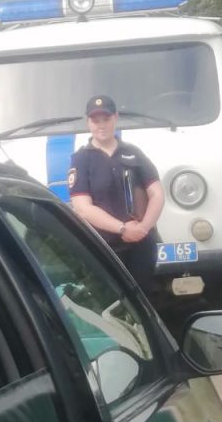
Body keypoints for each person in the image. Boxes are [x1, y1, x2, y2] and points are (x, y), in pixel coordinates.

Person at [68, 95, 165, 293]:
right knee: (111, 300)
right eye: (96, 120)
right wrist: (122, 229)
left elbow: (157, 194)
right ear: (88, 122)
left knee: (144, 298)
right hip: (104, 247)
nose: (101, 125)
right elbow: (83, 208)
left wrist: (143, 228)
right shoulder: (81, 159)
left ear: (116, 118)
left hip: (140, 244)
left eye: (106, 119)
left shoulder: (134, 153)